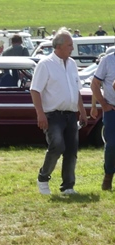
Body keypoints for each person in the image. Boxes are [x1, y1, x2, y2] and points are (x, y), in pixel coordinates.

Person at [30, 29, 88, 195]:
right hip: (53, 115)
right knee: (57, 146)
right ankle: (43, 177)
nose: (72, 48)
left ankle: (68, 186)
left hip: (71, 115)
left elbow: (76, 90)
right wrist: (40, 114)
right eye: (70, 45)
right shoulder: (45, 64)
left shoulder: (72, 64)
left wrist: (82, 111)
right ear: (59, 46)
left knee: (71, 150)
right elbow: (35, 90)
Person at [90, 51, 115, 190]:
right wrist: (103, 105)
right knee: (112, 145)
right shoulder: (108, 60)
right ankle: (108, 175)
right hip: (112, 110)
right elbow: (95, 84)